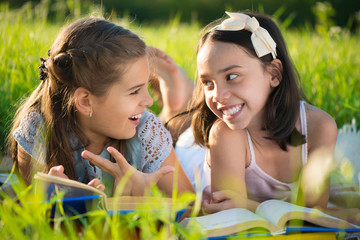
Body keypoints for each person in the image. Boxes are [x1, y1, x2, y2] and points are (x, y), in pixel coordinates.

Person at [7, 17, 194, 197]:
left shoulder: (147, 130)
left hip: (144, 128)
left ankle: (176, 105)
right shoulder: (39, 128)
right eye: (134, 91)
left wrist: (143, 199)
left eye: (147, 86)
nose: (149, 100)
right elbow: (24, 211)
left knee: (180, 129)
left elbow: (193, 209)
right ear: (86, 101)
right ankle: (175, 106)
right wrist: (48, 199)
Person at [184, 11, 338, 213]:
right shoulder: (226, 133)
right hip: (192, 155)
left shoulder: (319, 127)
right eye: (207, 83)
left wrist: (250, 207)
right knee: (178, 135)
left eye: (231, 76)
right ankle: (178, 96)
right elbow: (231, 218)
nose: (218, 96)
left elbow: (315, 216)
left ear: (274, 74)